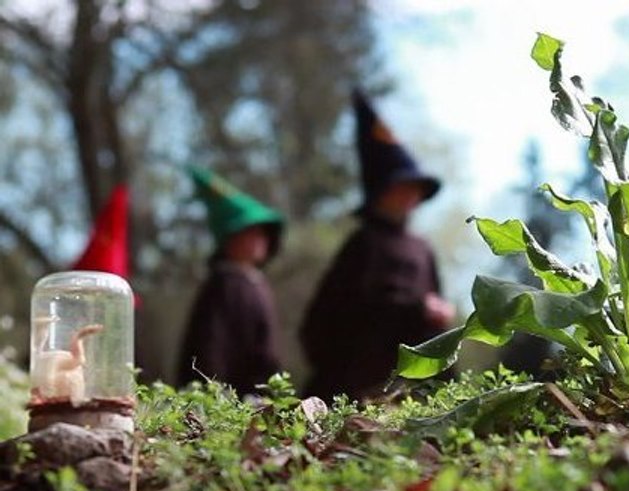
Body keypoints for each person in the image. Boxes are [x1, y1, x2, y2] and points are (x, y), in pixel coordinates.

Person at [299, 90, 455, 401]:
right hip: (358, 381)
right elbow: (337, 316)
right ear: (381, 192)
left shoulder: (422, 249)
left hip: (411, 384)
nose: (409, 196)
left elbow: (433, 307)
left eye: (414, 189)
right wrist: (416, 310)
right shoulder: (363, 245)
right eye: (402, 187)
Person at [177, 166, 284, 397]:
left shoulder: (256, 283)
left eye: (261, 233)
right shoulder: (223, 286)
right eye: (250, 233)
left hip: (260, 395)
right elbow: (210, 349)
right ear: (229, 239)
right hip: (232, 398)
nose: (259, 240)